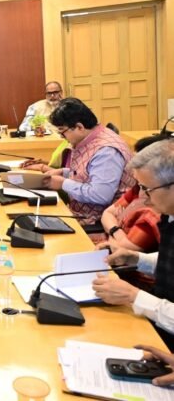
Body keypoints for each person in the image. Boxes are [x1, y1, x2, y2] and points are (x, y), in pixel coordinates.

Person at [91, 139, 174, 349]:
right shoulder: (169, 214)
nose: (143, 198)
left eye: (147, 189)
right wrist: (136, 259)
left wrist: (133, 296)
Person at [41, 98, 135, 226]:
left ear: (79, 127)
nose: (63, 138)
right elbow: (90, 172)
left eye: (62, 132)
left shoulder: (107, 151)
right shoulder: (93, 137)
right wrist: (64, 172)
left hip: (100, 222)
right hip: (84, 215)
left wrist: (63, 183)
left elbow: (101, 195)